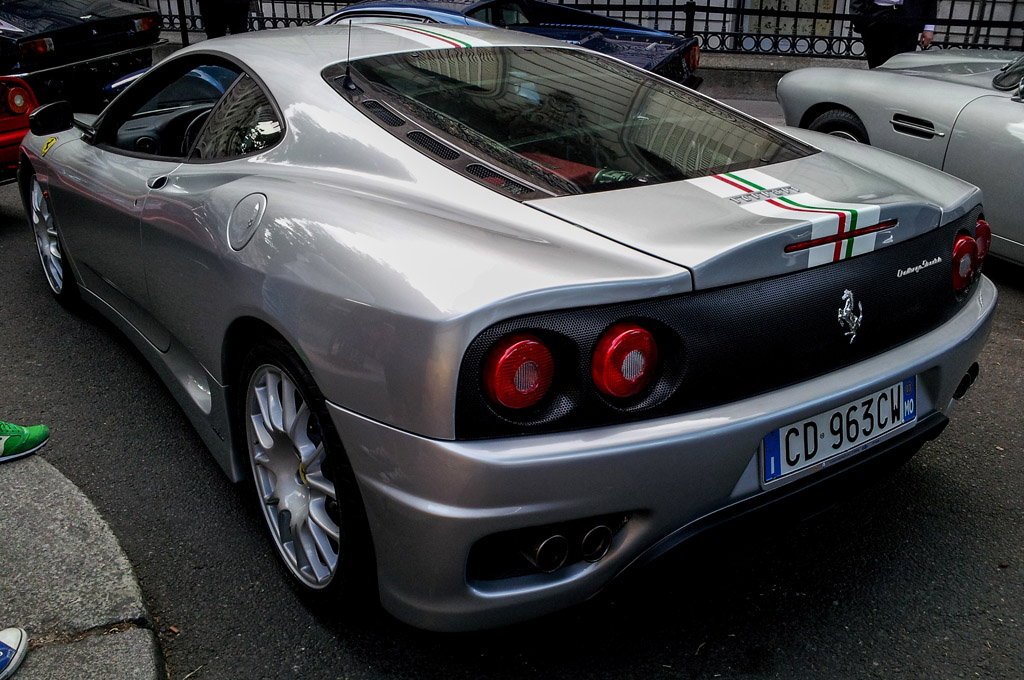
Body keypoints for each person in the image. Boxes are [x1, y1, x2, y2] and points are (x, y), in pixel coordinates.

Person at [851, 0, 937, 68]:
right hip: (874, 13)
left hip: (907, 16)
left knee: (902, 65)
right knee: (877, 65)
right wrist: (858, 18)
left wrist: (929, 27)